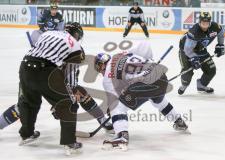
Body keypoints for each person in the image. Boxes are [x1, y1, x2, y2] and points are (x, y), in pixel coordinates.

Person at [0, 23, 113, 137]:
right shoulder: (76, 48)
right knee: (80, 93)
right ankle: (103, 121)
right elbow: (71, 81)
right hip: (47, 78)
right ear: (77, 35)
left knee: (23, 105)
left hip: (27, 70)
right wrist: (62, 101)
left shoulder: (50, 35)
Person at [94, 42, 189, 150]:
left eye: (99, 68)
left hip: (144, 83)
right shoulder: (121, 54)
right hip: (161, 76)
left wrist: (112, 111)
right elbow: (145, 46)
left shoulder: (107, 76)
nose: (100, 71)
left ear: (101, 65)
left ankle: (122, 136)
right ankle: (179, 121)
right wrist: (149, 63)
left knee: (117, 106)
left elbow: (115, 100)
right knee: (158, 100)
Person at [16, 22, 87, 155]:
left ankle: (26, 134)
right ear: (77, 34)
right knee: (68, 104)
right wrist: (67, 96)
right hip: (46, 71)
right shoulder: (76, 46)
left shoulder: (48, 33)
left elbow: (38, 51)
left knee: (29, 102)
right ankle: (69, 142)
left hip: (25, 66)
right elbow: (70, 75)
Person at [178, 12, 225, 95]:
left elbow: (221, 32)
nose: (205, 26)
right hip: (185, 51)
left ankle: (201, 85)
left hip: (201, 49)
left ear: (210, 22)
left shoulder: (215, 27)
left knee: (211, 70)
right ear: (199, 22)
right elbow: (188, 49)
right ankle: (184, 85)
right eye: (203, 23)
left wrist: (220, 45)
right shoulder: (194, 31)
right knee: (187, 71)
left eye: (207, 23)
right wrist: (193, 59)